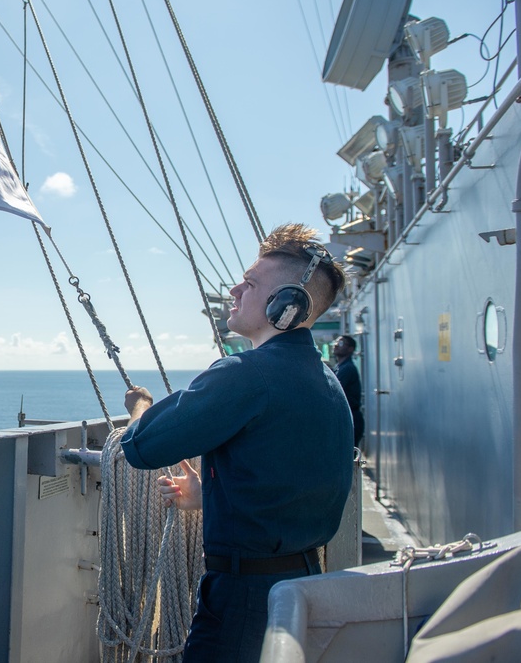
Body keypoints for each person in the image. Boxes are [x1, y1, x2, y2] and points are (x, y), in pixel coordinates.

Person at [120, 224, 354, 662]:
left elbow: (141, 446)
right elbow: (287, 481)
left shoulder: (247, 373)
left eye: (248, 283)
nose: (233, 289)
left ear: (287, 301)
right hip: (302, 583)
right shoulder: (326, 379)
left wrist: (141, 404)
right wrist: (211, 497)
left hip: (246, 597)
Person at [333, 335, 364, 448]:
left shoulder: (348, 368)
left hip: (351, 418)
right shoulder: (339, 367)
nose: (336, 345)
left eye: (341, 343)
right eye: (336, 343)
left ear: (350, 349)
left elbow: (333, 391)